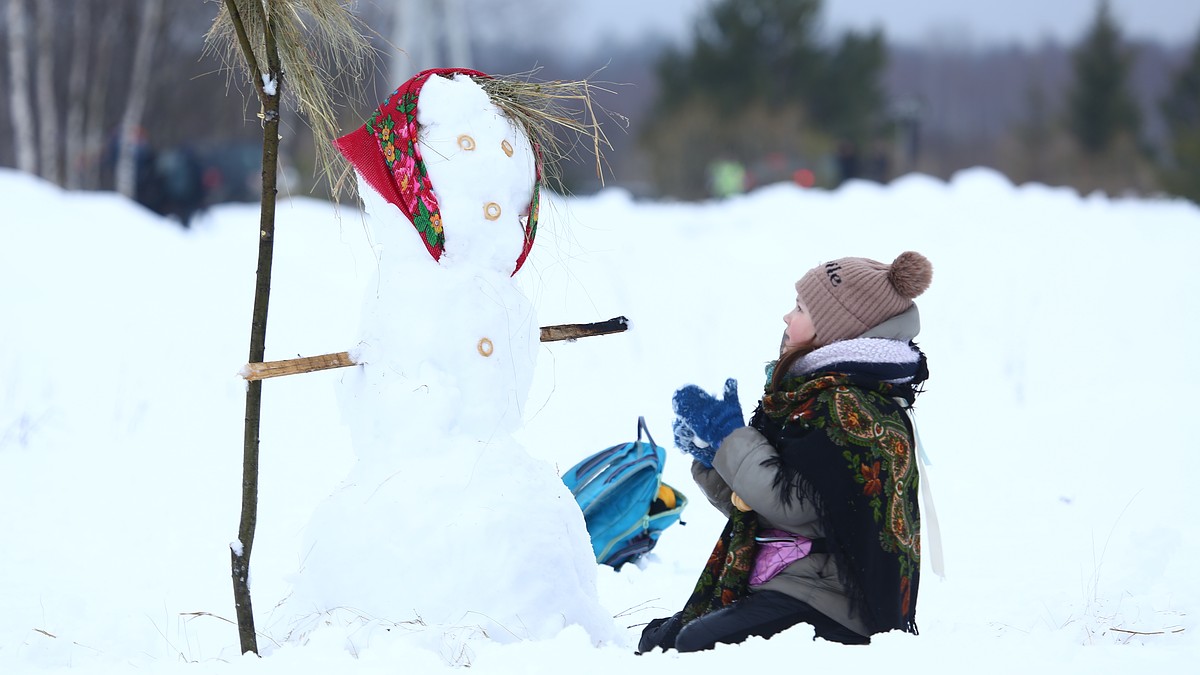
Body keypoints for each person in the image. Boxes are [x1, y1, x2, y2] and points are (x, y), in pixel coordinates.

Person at [638, 251, 932, 653]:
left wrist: (730, 439)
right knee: (660, 642)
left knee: (695, 645)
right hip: (791, 579)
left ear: (837, 327)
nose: (787, 317)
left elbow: (796, 507)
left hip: (834, 601)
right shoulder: (810, 395)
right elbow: (761, 512)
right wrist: (712, 457)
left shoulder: (850, 407)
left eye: (801, 307)